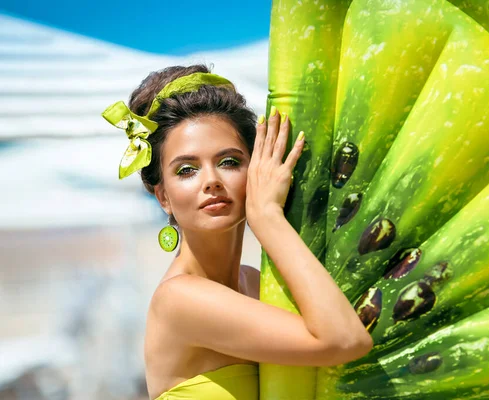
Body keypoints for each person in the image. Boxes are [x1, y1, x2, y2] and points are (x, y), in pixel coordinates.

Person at [102, 64, 373, 400]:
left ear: (257, 168)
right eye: (186, 170)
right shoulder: (179, 299)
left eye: (229, 161)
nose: (211, 180)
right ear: (163, 196)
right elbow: (346, 339)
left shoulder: (257, 283)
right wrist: (267, 217)